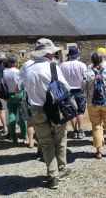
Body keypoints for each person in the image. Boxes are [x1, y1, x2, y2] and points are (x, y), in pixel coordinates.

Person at [24, 38, 72, 189]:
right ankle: (62, 168)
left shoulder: (28, 69)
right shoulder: (52, 68)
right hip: (55, 107)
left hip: (36, 109)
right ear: (48, 53)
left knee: (45, 143)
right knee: (60, 139)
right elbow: (66, 88)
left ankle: (53, 175)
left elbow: (24, 89)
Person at [82, 52, 106, 159]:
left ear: (92, 60)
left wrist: (87, 99)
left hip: (92, 104)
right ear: (101, 60)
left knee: (96, 126)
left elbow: (83, 89)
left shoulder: (87, 73)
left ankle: (99, 151)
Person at [60, 46, 87, 139]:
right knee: (80, 111)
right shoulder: (82, 65)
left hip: (68, 91)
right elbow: (85, 78)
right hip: (79, 89)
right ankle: (81, 131)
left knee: (71, 112)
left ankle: (75, 131)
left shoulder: (63, 65)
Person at [3, 55, 27, 143]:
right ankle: (24, 136)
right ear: (16, 62)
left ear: (9, 63)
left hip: (10, 94)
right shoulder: (18, 71)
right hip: (20, 94)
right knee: (22, 115)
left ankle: (13, 137)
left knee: (11, 115)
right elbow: (21, 84)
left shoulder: (4, 72)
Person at [18, 59, 37, 149]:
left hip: (26, 99)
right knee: (40, 123)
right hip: (37, 99)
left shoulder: (23, 76)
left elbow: (17, 89)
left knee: (29, 123)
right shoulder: (36, 72)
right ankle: (39, 143)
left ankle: (30, 143)